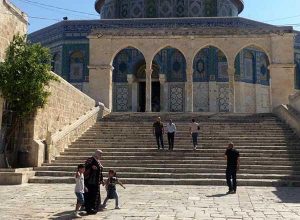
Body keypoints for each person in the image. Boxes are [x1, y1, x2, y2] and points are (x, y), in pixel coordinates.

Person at [84, 150, 104, 214]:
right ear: (96, 153)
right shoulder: (90, 159)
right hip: (90, 182)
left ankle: (94, 208)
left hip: (96, 182)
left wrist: (102, 179)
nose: (101, 155)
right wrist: (91, 167)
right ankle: (89, 209)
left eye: (101, 154)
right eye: (100, 154)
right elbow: (85, 167)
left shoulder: (98, 161)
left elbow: (100, 171)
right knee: (90, 195)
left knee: (95, 195)